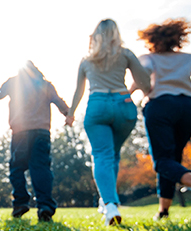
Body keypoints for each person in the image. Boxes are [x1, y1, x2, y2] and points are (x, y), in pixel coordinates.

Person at [134, 18, 191, 220]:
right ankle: (163, 211)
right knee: (172, 160)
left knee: (162, 161)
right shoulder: (188, 58)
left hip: (160, 106)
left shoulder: (149, 58)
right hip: (187, 109)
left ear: (152, 40)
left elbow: (144, 72)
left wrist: (132, 91)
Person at [65, 18, 151, 226]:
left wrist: (70, 114)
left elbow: (79, 91)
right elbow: (145, 83)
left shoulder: (86, 60)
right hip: (124, 105)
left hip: (98, 105)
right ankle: (108, 201)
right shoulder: (126, 54)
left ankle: (110, 204)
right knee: (112, 155)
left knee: (102, 155)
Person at [0, 60, 70, 222]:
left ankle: (20, 203)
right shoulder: (45, 85)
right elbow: (59, 101)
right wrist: (68, 114)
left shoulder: (14, 83)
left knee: (16, 168)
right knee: (41, 169)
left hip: (20, 133)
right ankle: (45, 207)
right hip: (41, 132)